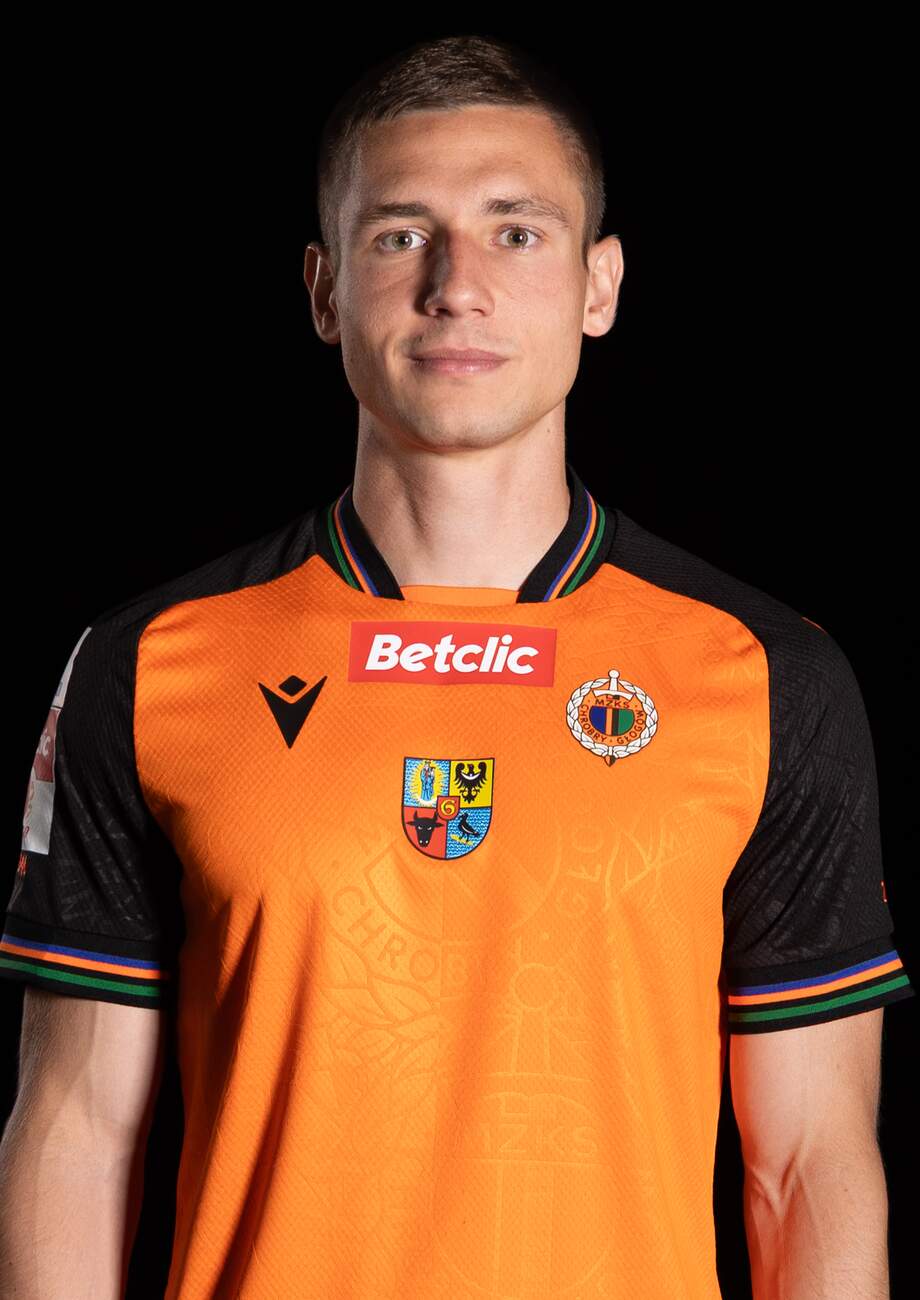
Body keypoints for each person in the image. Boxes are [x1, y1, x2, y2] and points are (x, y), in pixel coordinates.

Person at [0, 32, 914, 1300]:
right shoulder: (146, 667)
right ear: (324, 290)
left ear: (598, 285)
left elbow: (808, 1164)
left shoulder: (765, 678)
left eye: (515, 232)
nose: (456, 287)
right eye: (399, 235)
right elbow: (76, 1132)